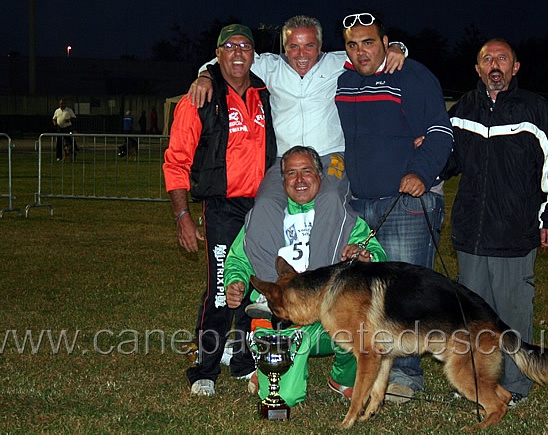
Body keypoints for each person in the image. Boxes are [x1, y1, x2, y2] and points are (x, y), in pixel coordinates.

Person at [188, 15, 406, 285]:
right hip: (285, 159)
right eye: (293, 46)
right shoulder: (269, 65)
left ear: (321, 46)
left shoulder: (338, 62)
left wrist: (398, 47)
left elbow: (373, 56)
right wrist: (204, 78)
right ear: (284, 46)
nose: (301, 54)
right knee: (265, 204)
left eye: (309, 46)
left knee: (329, 201)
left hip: (329, 156)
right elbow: (224, 60)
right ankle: (273, 288)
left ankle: (318, 284)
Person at [442, 38, 548, 407]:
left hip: (515, 233)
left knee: (512, 314)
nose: (495, 65)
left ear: (515, 67)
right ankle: (476, 382)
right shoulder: (463, 109)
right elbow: (448, 160)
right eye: (487, 59)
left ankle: (516, 386)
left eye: (502, 58)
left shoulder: (535, 110)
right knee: (473, 317)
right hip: (471, 234)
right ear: (478, 69)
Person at [334, 12, 453, 403]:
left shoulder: (412, 75)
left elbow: (439, 130)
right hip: (361, 203)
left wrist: (420, 172)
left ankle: (407, 375)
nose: (360, 51)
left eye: (368, 42)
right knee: (369, 294)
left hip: (407, 203)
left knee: (405, 292)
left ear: (386, 42)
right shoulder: (346, 79)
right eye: (353, 44)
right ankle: (373, 369)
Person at [162, 24, 277, 397]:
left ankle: (244, 361)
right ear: (218, 54)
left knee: (256, 289)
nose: (238, 53)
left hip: (262, 208)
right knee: (222, 290)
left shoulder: (265, 93)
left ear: (254, 53)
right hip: (222, 207)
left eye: (245, 46)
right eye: (230, 46)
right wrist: (182, 216)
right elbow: (176, 162)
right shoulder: (199, 99)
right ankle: (205, 370)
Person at [225, 146, 387, 407]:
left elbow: (378, 254)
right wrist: (235, 282)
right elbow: (238, 258)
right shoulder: (265, 216)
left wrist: (366, 256)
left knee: (362, 323)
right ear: (282, 181)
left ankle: (343, 379)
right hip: (281, 321)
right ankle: (267, 369)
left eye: (306, 172)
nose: (299, 180)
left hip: (327, 318)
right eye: (291, 173)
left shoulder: (341, 216)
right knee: (283, 398)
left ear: (320, 176)